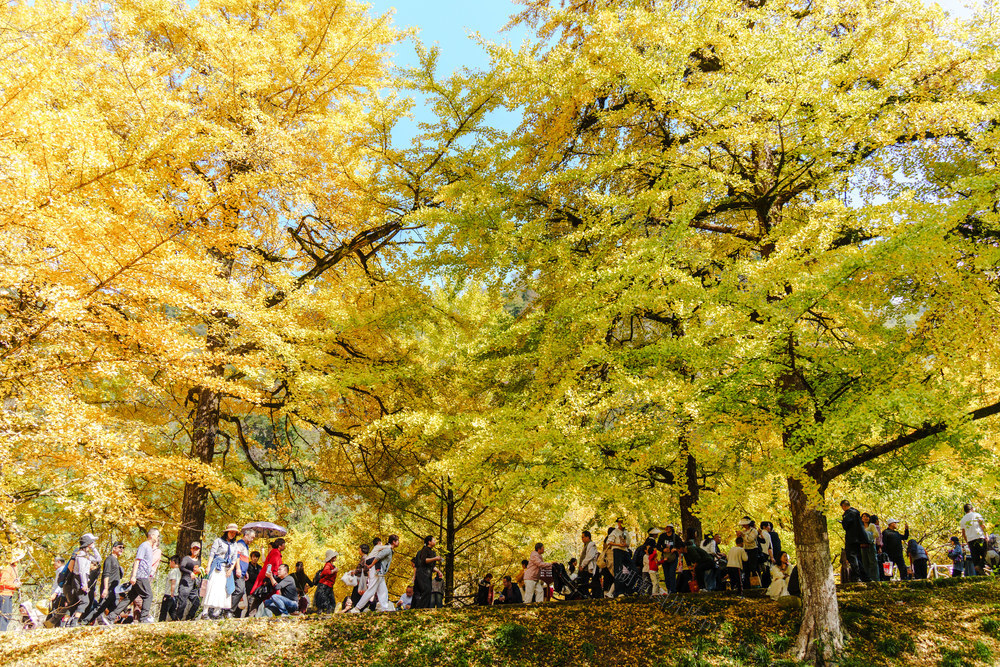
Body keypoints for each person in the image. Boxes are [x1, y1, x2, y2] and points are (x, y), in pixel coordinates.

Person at [105, 527, 160, 624]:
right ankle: (143, 619)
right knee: (148, 596)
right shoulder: (144, 546)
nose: (158, 537)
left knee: (130, 597)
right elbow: (137, 560)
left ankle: (111, 616)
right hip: (140, 576)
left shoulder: (150, 548)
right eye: (157, 535)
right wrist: (133, 576)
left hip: (143, 576)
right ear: (152, 535)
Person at [350, 534, 399, 613]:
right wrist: (371, 565)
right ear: (394, 542)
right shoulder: (388, 549)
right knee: (371, 590)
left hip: (380, 572)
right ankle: (357, 608)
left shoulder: (389, 549)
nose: (399, 543)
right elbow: (378, 557)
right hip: (377, 571)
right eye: (398, 541)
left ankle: (385, 608)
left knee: (383, 590)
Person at [203, 524, 239, 619]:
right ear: (227, 532)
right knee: (213, 587)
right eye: (231, 532)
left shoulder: (235, 545)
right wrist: (208, 566)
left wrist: (231, 569)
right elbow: (212, 554)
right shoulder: (218, 541)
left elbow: (234, 558)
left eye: (234, 533)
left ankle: (217, 612)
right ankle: (205, 611)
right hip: (217, 566)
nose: (232, 534)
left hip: (227, 568)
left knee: (223, 590)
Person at [83, 540, 124, 625]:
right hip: (108, 589)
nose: (122, 549)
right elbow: (106, 574)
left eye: (123, 548)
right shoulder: (109, 559)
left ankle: (110, 623)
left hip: (115, 590)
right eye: (120, 547)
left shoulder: (116, 560)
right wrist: (105, 588)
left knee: (115, 608)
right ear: (114, 548)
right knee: (100, 608)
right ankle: (84, 622)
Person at [63, 533, 100, 626]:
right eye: (91, 543)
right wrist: (84, 584)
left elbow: (99, 559)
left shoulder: (86, 555)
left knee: (75, 602)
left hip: (80, 580)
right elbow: (82, 572)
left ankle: (64, 623)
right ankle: (74, 622)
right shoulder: (81, 555)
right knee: (84, 601)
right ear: (87, 543)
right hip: (79, 580)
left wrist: (94, 548)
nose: (93, 544)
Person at [249, 538, 285, 614]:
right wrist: (269, 578)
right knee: (263, 594)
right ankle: (253, 614)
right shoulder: (276, 553)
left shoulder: (274, 552)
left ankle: (257, 613)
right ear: (279, 546)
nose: (285, 546)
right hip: (269, 577)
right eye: (284, 544)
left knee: (264, 595)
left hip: (268, 576)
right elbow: (272, 565)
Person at [840, 501, 872, 582]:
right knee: (858, 558)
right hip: (858, 539)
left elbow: (846, 525)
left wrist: (843, 521)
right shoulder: (857, 513)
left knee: (852, 557)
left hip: (851, 538)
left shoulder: (849, 514)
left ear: (843, 506)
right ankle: (865, 577)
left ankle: (856, 577)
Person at [174, 541, 202, 621]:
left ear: (199, 550)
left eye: (197, 549)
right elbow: (182, 567)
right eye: (194, 548)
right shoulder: (186, 558)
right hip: (185, 583)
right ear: (191, 549)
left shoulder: (198, 560)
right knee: (183, 603)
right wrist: (190, 573)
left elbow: (198, 571)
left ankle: (189, 618)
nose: (195, 550)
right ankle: (178, 619)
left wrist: (199, 572)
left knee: (196, 602)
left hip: (194, 584)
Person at [413, 536, 442, 609]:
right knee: (426, 590)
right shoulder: (425, 550)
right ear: (429, 542)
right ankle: (421, 608)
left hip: (428, 573)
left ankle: (423, 608)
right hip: (423, 573)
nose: (435, 541)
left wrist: (438, 571)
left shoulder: (432, 552)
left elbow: (431, 566)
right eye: (433, 540)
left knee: (428, 590)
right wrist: (435, 558)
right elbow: (424, 560)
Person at [960, 503, 988, 575]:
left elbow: (963, 533)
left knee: (975, 559)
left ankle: (979, 575)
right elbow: (983, 525)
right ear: (972, 509)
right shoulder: (976, 515)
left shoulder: (962, 520)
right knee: (986, 554)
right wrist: (986, 535)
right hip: (979, 537)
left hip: (970, 540)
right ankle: (980, 567)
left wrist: (967, 542)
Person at [0, 549, 23, 632]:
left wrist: (17, 582)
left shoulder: (14, 567)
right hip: (4, 593)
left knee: (8, 615)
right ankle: (2, 632)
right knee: (4, 615)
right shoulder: (6, 568)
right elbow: (3, 582)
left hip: (9, 593)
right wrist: (14, 585)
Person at [657, 525, 683, 594]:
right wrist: (663, 549)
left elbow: (681, 545)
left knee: (672, 573)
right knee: (666, 575)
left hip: (673, 558)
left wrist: (675, 549)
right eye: (665, 527)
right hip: (665, 558)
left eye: (668, 527)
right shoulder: (662, 536)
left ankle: (673, 591)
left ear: (671, 528)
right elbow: (658, 546)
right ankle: (669, 590)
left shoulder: (675, 536)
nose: (666, 529)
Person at [608, 519, 631, 597]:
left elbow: (628, 543)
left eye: (622, 522)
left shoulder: (626, 532)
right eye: (619, 522)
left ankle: (629, 590)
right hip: (617, 551)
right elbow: (609, 542)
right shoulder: (615, 531)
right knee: (619, 571)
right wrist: (618, 544)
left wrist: (624, 544)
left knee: (630, 570)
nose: (621, 524)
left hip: (625, 551)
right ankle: (619, 592)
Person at [157, 556, 181, 622]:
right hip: (175, 594)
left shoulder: (173, 571)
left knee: (164, 610)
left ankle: (161, 622)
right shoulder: (179, 571)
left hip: (169, 594)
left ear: (173, 562)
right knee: (172, 611)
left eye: (170, 562)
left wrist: (171, 593)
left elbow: (173, 581)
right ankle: (176, 621)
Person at [578, 531, 598, 598]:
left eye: (583, 537)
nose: (582, 539)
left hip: (586, 569)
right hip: (584, 568)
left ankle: (587, 597)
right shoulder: (586, 545)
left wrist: (582, 565)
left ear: (587, 537)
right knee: (581, 583)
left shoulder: (591, 545)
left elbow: (589, 556)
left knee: (584, 584)